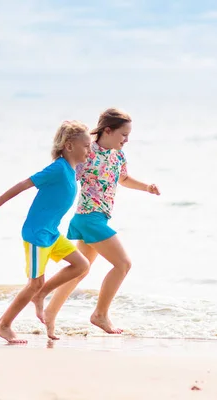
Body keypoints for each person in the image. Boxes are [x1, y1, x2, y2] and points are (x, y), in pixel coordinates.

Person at [43, 108, 160, 340]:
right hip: (89, 217)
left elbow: (123, 178)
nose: (126, 140)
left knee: (79, 271)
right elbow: (65, 176)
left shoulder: (118, 155)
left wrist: (146, 187)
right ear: (107, 130)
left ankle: (49, 313)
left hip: (99, 217)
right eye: (123, 134)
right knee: (123, 264)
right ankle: (100, 314)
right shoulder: (87, 152)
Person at [0, 120, 91, 344]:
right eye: (86, 146)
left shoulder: (71, 170)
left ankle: (40, 295)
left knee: (81, 265)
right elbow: (24, 184)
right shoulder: (58, 168)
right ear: (69, 146)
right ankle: (3, 324)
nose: (89, 150)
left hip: (51, 232)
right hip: (36, 234)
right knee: (34, 283)